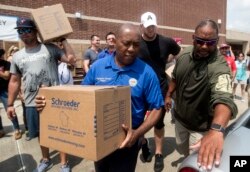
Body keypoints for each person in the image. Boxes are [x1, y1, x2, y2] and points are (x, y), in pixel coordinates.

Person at [36, 23, 164, 172]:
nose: (131, 49)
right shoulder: (98, 67)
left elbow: (157, 107)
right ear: (115, 42)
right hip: (98, 138)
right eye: (126, 43)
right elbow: (80, 99)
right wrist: (48, 104)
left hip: (128, 139)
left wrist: (138, 133)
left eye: (136, 45)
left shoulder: (147, 73)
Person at [165, 19, 238, 171]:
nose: (204, 46)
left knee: (198, 164)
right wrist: (168, 94)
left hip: (200, 128)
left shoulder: (219, 66)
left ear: (217, 41)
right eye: (200, 41)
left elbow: (223, 98)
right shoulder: (184, 53)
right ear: (193, 38)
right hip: (180, 119)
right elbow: (175, 77)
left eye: (210, 42)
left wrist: (216, 130)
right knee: (181, 148)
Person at [7, 17, 76, 172]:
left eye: (27, 30)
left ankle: (64, 163)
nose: (24, 33)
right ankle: (46, 159)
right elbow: (14, 80)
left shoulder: (49, 48)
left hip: (55, 101)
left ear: (36, 31)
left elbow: (72, 60)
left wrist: (63, 39)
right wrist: (10, 104)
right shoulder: (17, 56)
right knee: (41, 134)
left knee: (60, 132)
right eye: (20, 31)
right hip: (32, 102)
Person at [138, 12, 181, 172]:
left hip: (161, 87)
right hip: (140, 87)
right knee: (137, 120)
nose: (151, 29)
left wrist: (174, 70)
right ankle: (143, 143)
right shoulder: (136, 42)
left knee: (159, 122)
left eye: (153, 26)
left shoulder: (166, 41)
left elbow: (180, 54)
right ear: (141, 26)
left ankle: (158, 154)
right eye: (148, 26)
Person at [0, 48, 22, 140]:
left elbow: (6, 76)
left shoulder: (6, 64)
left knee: (9, 109)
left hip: (4, 90)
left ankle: (17, 129)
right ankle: (1, 130)